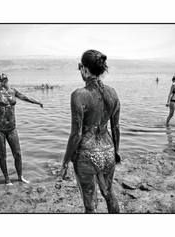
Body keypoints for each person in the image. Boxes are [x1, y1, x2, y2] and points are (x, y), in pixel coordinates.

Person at [61, 49, 121, 213]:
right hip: (108, 150)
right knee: (109, 194)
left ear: (85, 70)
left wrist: (66, 161)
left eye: (80, 67)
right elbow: (115, 127)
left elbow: (76, 134)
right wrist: (116, 151)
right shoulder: (113, 93)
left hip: (87, 154)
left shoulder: (79, 95)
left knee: (90, 205)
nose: (80, 70)